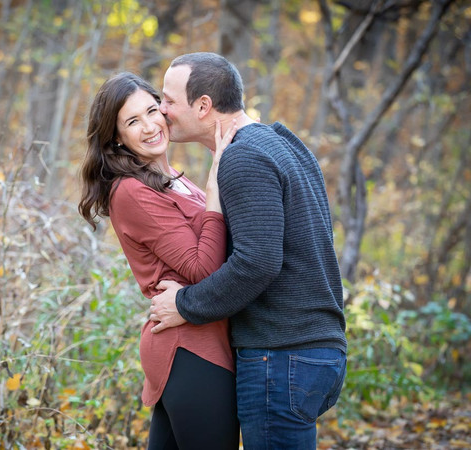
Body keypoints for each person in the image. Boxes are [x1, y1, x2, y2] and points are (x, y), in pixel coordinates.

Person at [149, 52, 348, 449]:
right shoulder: (283, 144)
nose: (162, 110)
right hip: (315, 350)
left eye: (169, 100)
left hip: (281, 356)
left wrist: (185, 304)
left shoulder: (243, 157)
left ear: (203, 106)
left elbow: (258, 262)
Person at [78, 72, 240, 449]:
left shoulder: (172, 180)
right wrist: (216, 188)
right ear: (117, 136)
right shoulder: (131, 191)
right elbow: (202, 269)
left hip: (195, 340)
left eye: (152, 111)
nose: (150, 126)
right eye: (133, 121)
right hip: (191, 348)